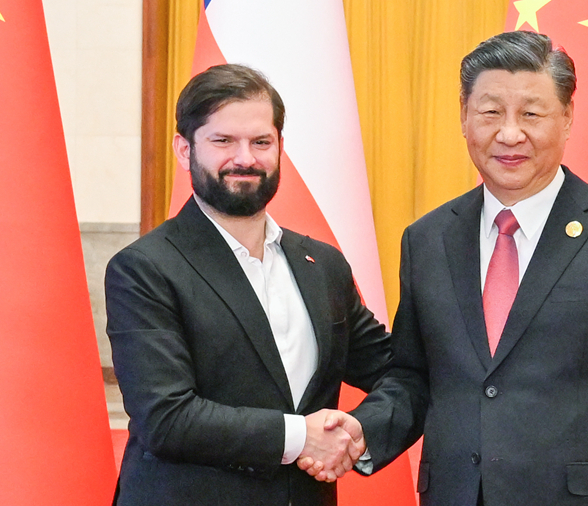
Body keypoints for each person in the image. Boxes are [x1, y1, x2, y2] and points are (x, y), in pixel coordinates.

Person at [306, 31, 588, 505]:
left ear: (568, 117)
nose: (510, 134)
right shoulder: (427, 239)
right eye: (491, 112)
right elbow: (416, 377)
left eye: (531, 114)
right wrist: (361, 430)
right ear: (464, 116)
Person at [105, 64, 389, 506]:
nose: (245, 158)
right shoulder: (144, 269)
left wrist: (358, 431)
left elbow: (393, 368)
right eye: (223, 141)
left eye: (261, 142)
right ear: (184, 150)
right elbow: (167, 418)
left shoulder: (323, 265)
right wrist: (301, 436)